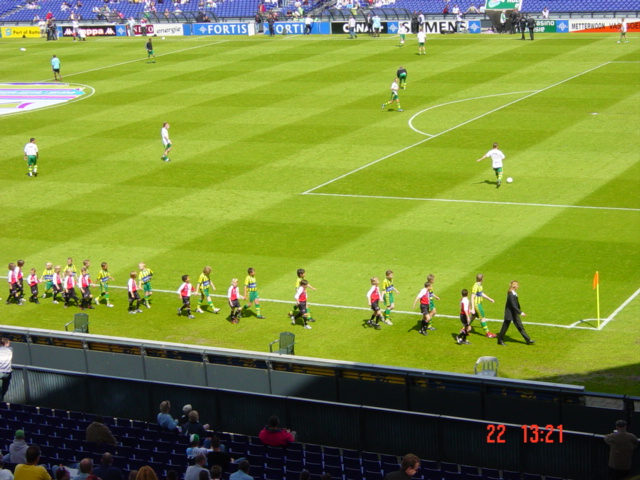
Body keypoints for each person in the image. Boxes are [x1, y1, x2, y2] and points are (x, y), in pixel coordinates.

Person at [497, 281, 534, 346]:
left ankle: (528, 340)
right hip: (510, 313)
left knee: (520, 326)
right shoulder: (511, 294)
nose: (518, 286)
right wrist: (521, 312)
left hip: (514, 313)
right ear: (514, 286)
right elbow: (513, 305)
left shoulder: (513, 293)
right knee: (505, 327)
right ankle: (500, 340)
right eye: (517, 285)